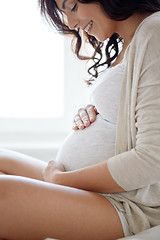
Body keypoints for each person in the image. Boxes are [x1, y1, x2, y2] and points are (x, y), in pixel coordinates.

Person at [0, 0, 160, 239]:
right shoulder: (130, 41)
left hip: (125, 204)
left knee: (3, 194)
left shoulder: (154, 32)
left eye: (72, 7)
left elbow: (151, 160)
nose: (72, 24)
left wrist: (60, 179)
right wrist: (96, 111)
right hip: (91, 189)